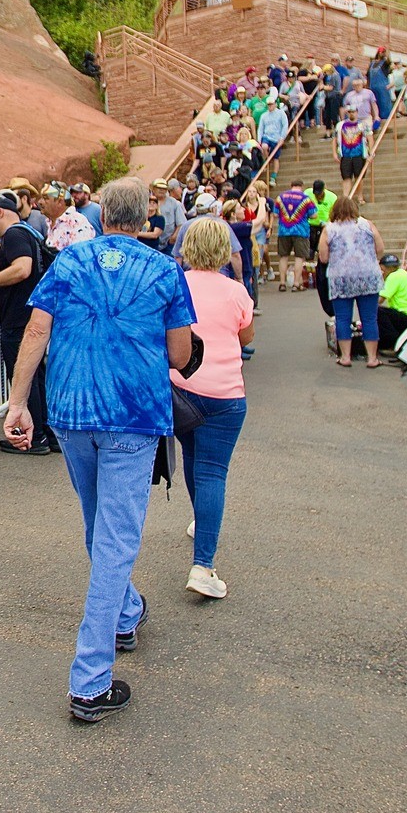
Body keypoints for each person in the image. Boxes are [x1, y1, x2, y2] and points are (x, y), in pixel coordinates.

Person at [4, 177, 196, 723]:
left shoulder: (67, 263)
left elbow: (37, 333)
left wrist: (18, 402)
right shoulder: (163, 270)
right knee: (114, 537)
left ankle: (126, 610)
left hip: (71, 408)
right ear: (145, 216)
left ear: (103, 212)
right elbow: (180, 354)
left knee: (99, 525)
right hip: (132, 415)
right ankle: (90, 680)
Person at [174, 218, 253, 600]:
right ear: (225, 250)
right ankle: (203, 565)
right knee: (212, 473)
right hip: (224, 394)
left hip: (181, 389)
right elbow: (246, 334)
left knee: (192, 456)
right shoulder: (236, 291)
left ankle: (200, 520)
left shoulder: (176, 284)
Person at [0, 192, 54, 456]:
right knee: (35, 375)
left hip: (18, 318)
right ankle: (46, 433)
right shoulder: (28, 234)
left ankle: (34, 436)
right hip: (28, 316)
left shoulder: (14, 235)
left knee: (23, 377)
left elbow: (22, 269)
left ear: (1, 213)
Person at [319, 198, 385, 368]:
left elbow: (323, 257)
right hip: (367, 277)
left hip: (341, 278)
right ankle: (372, 358)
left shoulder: (329, 229)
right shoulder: (367, 225)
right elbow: (380, 249)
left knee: (342, 318)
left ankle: (345, 357)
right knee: (370, 318)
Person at [377, 253, 407, 353]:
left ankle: (393, 343)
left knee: (375, 311)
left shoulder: (393, 277)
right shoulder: (404, 275)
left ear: (384, 269)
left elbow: (379, 300)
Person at [39, 181, 96, 251]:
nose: (40, 202)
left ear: (59, 202)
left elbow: (82, 257)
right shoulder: (51, 222)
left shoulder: (76, 223)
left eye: (45, 198)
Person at [335, 105, 370, 201]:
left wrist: (370, 152)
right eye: (350, 112)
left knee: (359, 177)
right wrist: (334, 153)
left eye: (353, 111)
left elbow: (369, 138)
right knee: (346, 177)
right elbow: (334, 139)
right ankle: (346, 197)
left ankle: (360, 197)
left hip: (359, 154)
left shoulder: (363, 125)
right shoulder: (340, 125)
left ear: (357, 112)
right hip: (346, 155)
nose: (351, 113)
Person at [142, 180, 185, 254]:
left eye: (164, 188)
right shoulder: (145, 201)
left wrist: (173, 238)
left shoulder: (174, 203)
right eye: (159, 188)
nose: (162, 190)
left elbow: (181, 223)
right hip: (148, 244)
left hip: (168, 244)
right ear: (153, 188)